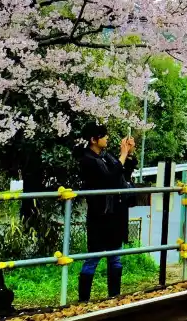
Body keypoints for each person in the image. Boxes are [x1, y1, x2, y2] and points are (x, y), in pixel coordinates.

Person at [76, 124, 136, 302]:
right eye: (103, 136)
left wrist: (128, 153)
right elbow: (109, 179)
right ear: (93, 140)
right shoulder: (87, 160)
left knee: (115, 257)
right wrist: (123, 155)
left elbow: (122, 172)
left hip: (114, 214)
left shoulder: (105, 156)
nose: (107, 138)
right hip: (99, 215)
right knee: (93, 257)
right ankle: (84, 300)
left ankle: (114, 296)